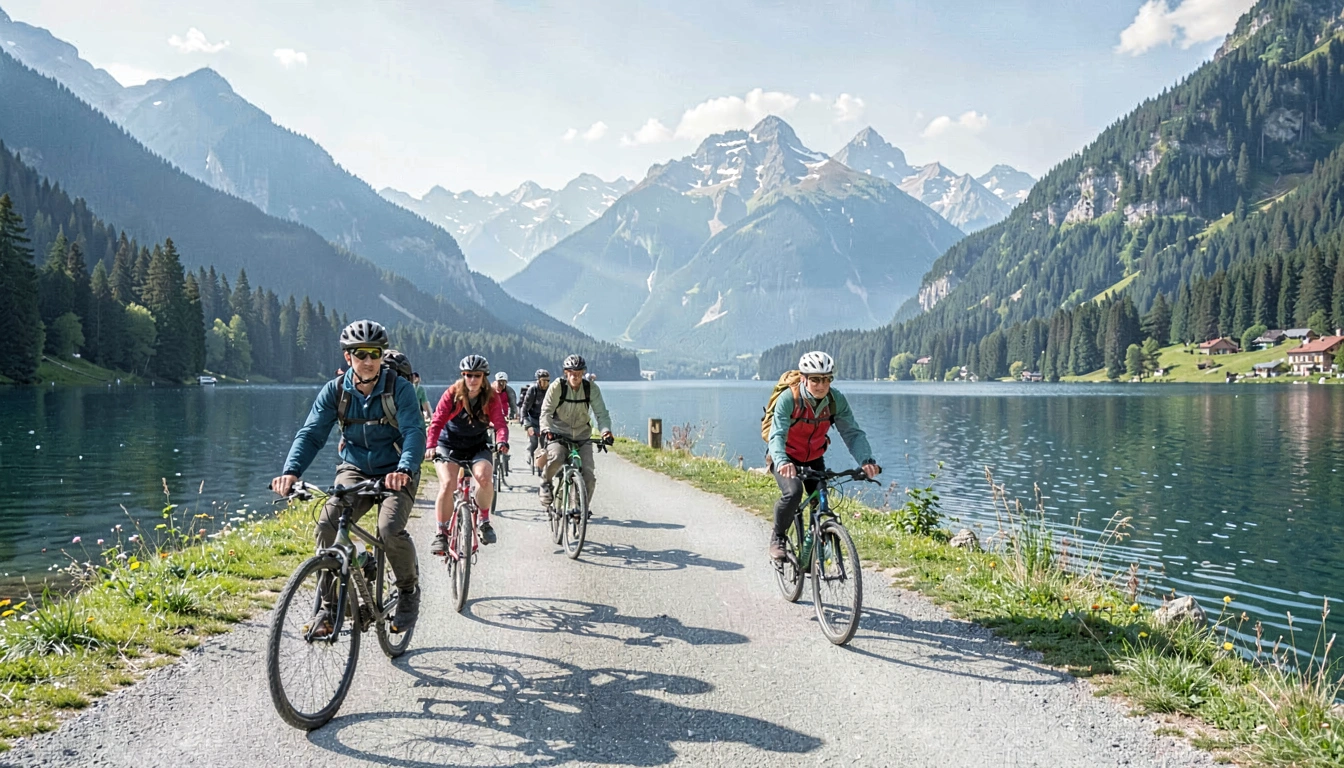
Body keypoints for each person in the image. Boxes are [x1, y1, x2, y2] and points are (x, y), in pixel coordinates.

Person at [271, 320, 426, 635]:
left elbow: (414, 433)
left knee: (388, 528)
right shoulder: (335, 391)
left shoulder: (401, 389)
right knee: (328, 525)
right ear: (348, 357)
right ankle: (329, 608)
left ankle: (408, 591)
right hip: (354, 469)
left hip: (397, 470)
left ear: (381, 356)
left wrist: (405, 469)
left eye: (374, 353)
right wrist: (290, 472)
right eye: (360, 354)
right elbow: (311, 433)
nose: (367, 360)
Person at [766, 351, 880, 561]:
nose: (821, 385)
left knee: (821, 500)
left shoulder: (835, 400)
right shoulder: (789, 399)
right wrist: (782, 461)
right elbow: (777, 434)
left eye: (826, 379)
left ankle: (818, 544)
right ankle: (779, 537)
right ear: (804, 378)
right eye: (816, 379)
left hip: (814, 458)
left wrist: (866, 460)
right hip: (785, 458)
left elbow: (852, 433)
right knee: (793, 492)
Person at [427, 354, 509, 549]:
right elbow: (437, 420)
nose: (472, 380)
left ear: (484, 377)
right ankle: (441, 533)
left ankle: (484, 520)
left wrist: (502, 441)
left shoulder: (491, 396)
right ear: (463, 375)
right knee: (447, 484)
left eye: (477, 376)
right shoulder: (453, 393)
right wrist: (430, 445)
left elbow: (499, 423)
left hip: (477, 445)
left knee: (484, 477)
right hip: (449, 444)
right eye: (468, 375)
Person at [539, 355, 613, 513]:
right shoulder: (558, 386)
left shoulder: (590, 388)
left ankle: (580, 507)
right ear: (566, 372)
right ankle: (546, 482)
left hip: (582, 435)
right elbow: (546, 411)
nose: (575, 376)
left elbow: (601, 414)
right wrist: (546, 429)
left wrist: (605, 431)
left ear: (583, 372)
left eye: (579, 373)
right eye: (572, 372)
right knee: (557, 457)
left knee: (588, 475)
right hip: (558, 434)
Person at [519, 368, 550, 475]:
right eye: (543, 380)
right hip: (532, 419)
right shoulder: (533, 390)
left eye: (547, 380)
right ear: (538, 380)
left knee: (545, 443)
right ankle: (530, 452)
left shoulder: (550, 390)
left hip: (544, 419)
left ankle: (542, 465)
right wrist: (527, 425)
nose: (546, 383)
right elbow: (524, 408)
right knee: (534, 442)